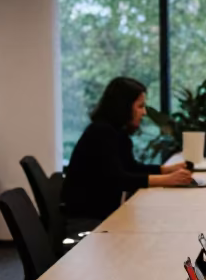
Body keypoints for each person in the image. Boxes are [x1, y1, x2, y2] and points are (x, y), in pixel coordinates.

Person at [62, 77, 193, 223]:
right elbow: (118, 179)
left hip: (102, 212)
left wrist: (166, 170)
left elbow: (131, 167)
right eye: (140, 106)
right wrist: (166, 180)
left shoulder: (117, 133)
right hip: (88, 218)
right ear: (123, 107)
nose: (144, 112)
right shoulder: (101, 132)